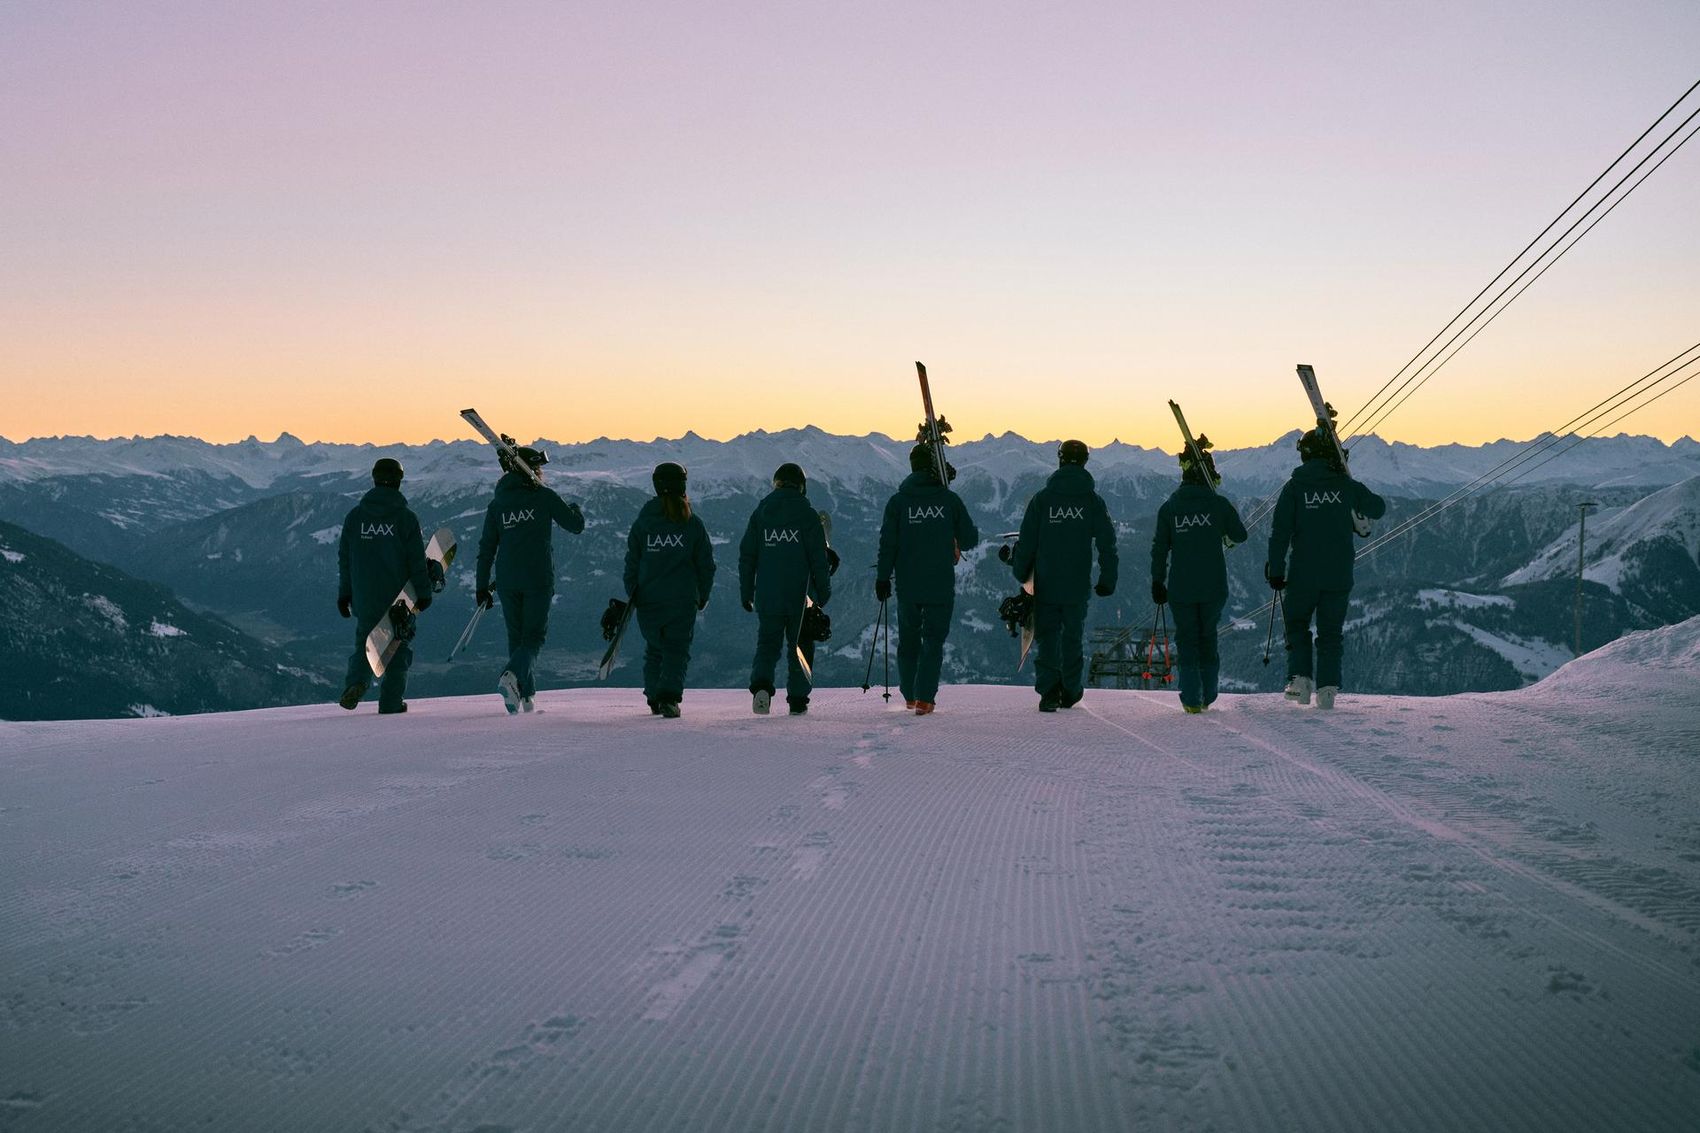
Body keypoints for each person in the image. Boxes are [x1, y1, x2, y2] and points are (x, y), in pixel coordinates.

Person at [1264, 428, 1388, 710]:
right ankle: (1328, 690)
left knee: (1297, 626)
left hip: (1302, 573)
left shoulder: (1294, 488)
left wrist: (1276, 569)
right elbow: (1378, 508)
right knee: (1330, 632)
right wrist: (1352, 489)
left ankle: (1300, 681)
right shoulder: (1346, 486)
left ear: (1305, 455)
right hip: (1338, 573)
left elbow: (1280, 533)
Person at [474, 443, 586, 714]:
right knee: (533, 636)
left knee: (517, 636)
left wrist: (481, 587)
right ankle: (512, 675)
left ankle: (525, 697)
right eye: (538, 468)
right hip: (537, 577)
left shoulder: (498, 504)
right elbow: (575, 525)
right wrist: (574, 507)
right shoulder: (543, 497)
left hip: (507, 580)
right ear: (531, 470)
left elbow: (487, 547)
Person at [1008, 440, 1118, 712]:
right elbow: (1107, 542)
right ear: (1084, 461)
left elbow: (1027, 542)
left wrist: (1020, 573)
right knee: (1072, 637)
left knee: (1047, 637)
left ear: (1060, 460)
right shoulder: (1092, 501)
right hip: (1076, 584)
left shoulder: (1042, 500)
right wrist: (1107, 579)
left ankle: (1048, 692)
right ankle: (1070, 690)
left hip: (1045, 584)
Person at [876, 444, 979, 714]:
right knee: (933, 640)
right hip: (940, 584)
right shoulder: (949, 500)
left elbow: (888, 544)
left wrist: (883, 577)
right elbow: (969, 539)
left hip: (908, 584)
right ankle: (924, 698)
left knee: (909, 640)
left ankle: (910, 695)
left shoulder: (898, 502)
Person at [1149, 438, 1248, 714]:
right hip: (1213, 585)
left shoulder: (1170, 508)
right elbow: (1240, 534)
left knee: (1188, 640)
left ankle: (1192, 699)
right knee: (1208, 638)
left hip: (1181, 587)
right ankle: (1209, 695)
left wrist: (1158, 581)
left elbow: (1159, 549)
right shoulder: (1218, 504)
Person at [336, 457, 433, 714]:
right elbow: (416, 562)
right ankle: (390, 702)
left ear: (374, 478)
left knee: (366, 644)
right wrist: (423, 593)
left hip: (364, 596)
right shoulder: (405, 518)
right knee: (398, 648)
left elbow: (345, 558)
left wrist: (344, 594)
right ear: (399, 481)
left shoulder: (355, 517)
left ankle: (355, 683)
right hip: (399, 598)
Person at [739, 462, 833, 715]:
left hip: (768, 593)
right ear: (802, 486)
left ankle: (761, 687)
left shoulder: (761, 513)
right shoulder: (807, 515)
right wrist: (823, 591)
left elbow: (747, 555)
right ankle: (798, 699)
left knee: (767, 644)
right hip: (800, 595)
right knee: (800, 645)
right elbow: (818, 559)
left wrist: (747, 591)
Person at [623, 462, 716, 718]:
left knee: (655, 648)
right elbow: (705, 564)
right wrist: (703, 595)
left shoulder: (643, 523)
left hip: (648, 599)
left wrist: (633, 591)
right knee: (676, 649)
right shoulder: (692, 523)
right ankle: (669, 697)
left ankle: (654, 696)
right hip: (681, 599)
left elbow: (631, 561)